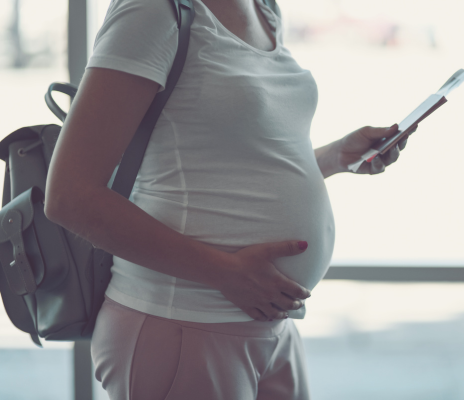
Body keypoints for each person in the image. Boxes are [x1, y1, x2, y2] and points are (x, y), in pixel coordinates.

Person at [44, 0, 414, 399]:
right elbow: (70, 196)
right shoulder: (152, 10)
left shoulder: (264, 9)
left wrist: (334, 157)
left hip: (272, 324)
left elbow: (237, 157)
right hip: (183, 325)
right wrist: (225, 271)